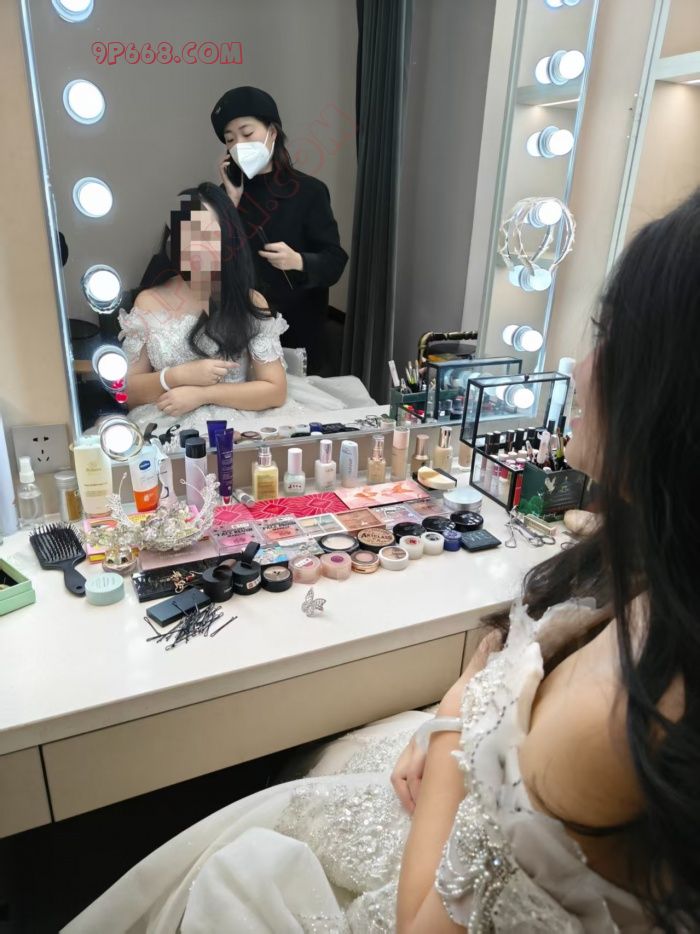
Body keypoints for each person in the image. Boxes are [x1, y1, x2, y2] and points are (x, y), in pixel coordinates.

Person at [65, 193, 700, 931]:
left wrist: (452, 718)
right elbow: (128, 384)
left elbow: (424, 915)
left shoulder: (610, 714)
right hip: (175, 435)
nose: (578, 369)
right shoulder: (645, 580)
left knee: (240, 863)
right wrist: (464, 701)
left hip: (431, 850)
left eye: (607, 336)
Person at [118, 182, 346, 435]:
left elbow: (274, 389)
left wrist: (203, 394)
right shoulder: (149, 302)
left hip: (241, 419)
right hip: (167, 421)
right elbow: (128, 393)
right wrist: (177, 376)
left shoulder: (250, 302)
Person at [211, 85, 348, 375]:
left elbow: (335, 262)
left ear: (272, 132)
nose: (239, 145)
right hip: (240, 335)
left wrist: (298, 260)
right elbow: (199, 267)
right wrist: (229, 203)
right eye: (230, 139)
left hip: (299, 332)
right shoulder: (222, 197)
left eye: (247, 133)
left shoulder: (310, 191)